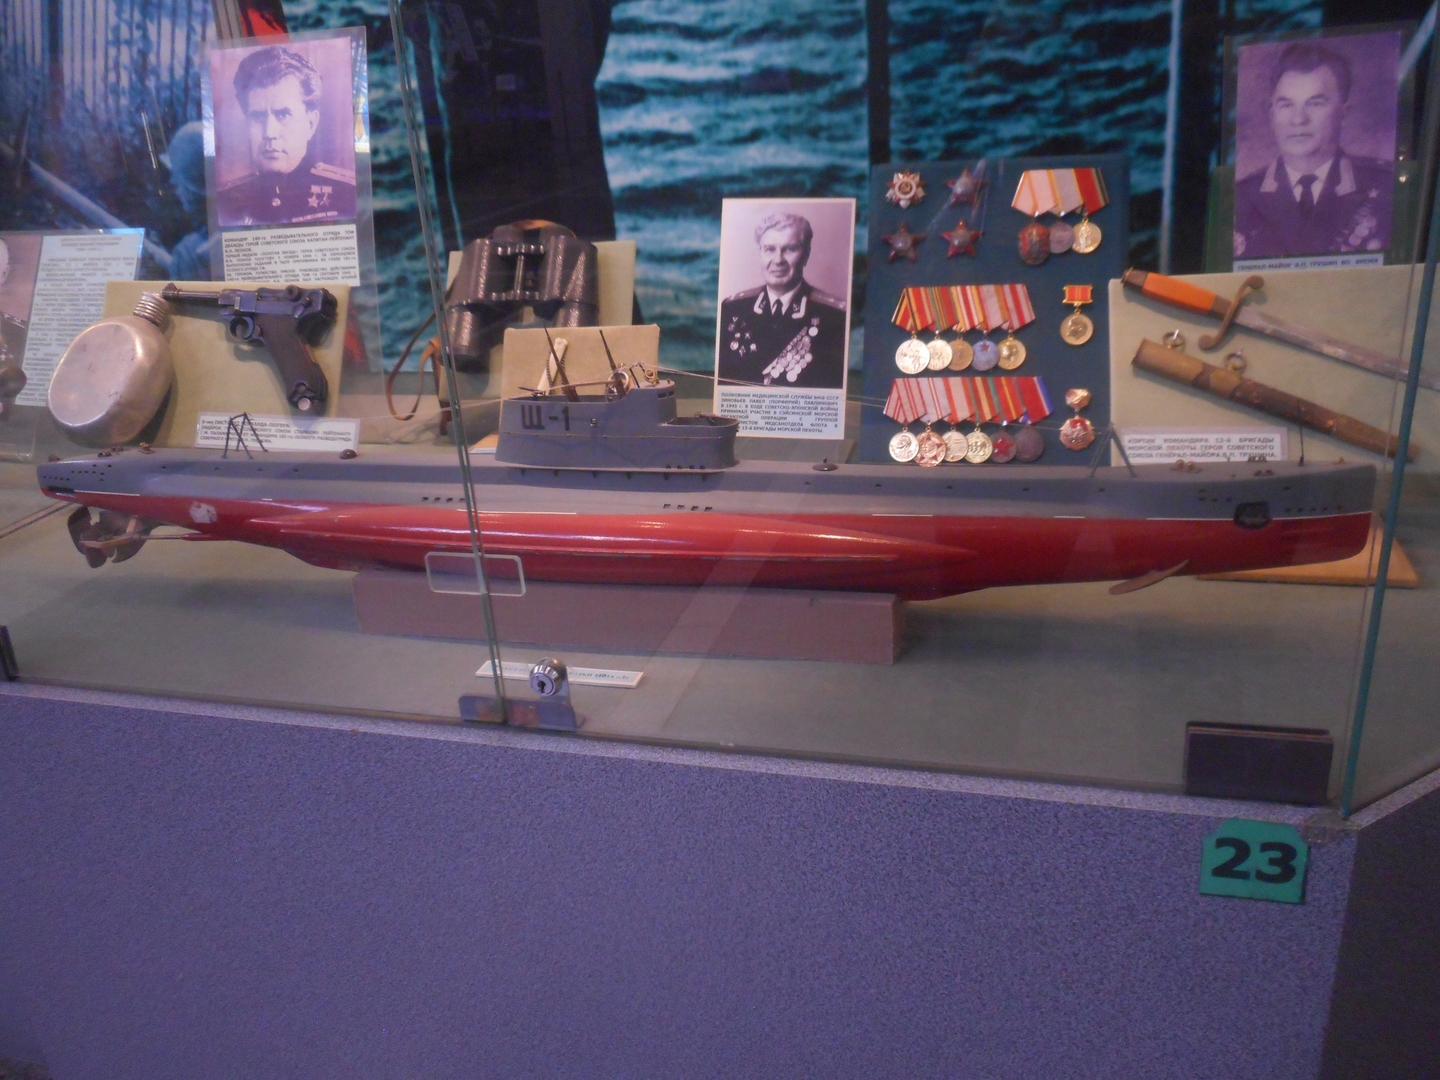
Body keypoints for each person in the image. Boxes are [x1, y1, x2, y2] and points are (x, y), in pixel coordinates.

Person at [1234, 41, 1393, 260]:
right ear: (1272, 114)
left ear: (1343, 113)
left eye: (1315, 103)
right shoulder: (1240, 197)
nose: (1298, 119)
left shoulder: (1386, 188)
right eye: (1286, 105)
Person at [216, 45, 357, 228]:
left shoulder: (347, 194)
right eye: (257, 116)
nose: (269, 133)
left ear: (310, 124)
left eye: (283, 115)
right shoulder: (225, 202)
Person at [718, 212, 848, 389]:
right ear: (760, 253)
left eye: (789, 249)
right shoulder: (733, 309)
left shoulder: (835, 316)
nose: (778, 260)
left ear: (806, 255)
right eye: (769, 249)